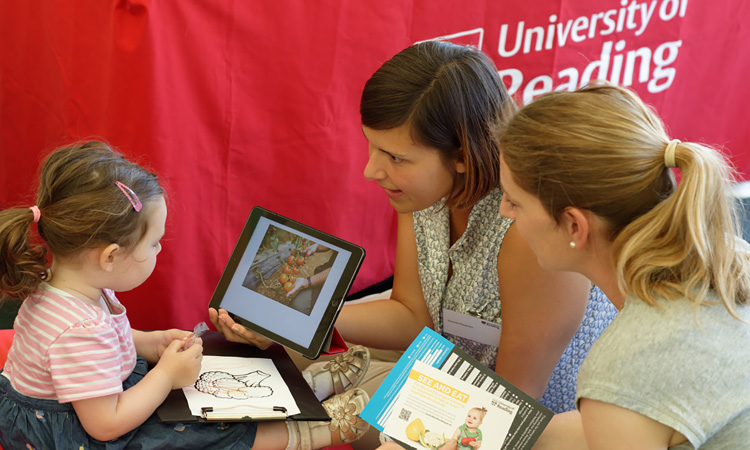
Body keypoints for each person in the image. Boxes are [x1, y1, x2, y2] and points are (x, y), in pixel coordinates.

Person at [211, 40, 617, 448]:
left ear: (462, 155)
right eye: (372, 147)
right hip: (450, 366)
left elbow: (509, 402)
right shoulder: (423, 192)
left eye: (396, 157)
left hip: (510, 414)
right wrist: (301, 321)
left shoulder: (527, 230)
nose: (372, 170)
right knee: (274, 356)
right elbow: (412, 314)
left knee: (324, 401)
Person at [0, 141, 369, 450]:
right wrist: (164, 376)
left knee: (195, 384)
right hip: (80, 432)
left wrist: (149, 342)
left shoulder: (69, 285)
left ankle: (298, 392)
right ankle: (313, 431)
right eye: (155, 243)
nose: (160, 250)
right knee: (188, 435)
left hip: (93, 398)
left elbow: (99, 347)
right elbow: (105, 426)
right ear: (110, 256)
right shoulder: (77, 328)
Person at [496, 84, 750, 448]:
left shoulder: (621, 369)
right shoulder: (729, 257)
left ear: (574, 226)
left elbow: (623, 402)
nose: (505, 210)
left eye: (515, 201)